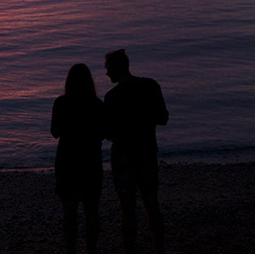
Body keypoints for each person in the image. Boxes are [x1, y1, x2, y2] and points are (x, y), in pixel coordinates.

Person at [103, 49, 168, 254]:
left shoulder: (112, 97)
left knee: (127, 208)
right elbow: (163, 118)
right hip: (147, 152)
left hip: (123, 157)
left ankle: (129, 249)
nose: (106, 74)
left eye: (107, 69)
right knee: (151, 203)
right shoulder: (150, 86)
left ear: (116, 68)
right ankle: (159, 248)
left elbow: (109, 132)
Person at [51, 63, 105, 254]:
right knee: (91, 211)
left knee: (69, 212)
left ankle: (71, 249)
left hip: (68, 162)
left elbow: (55, 132)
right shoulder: (97, 104)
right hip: (91, 161)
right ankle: (91, 248)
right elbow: (104, 132)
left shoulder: (61, 103)